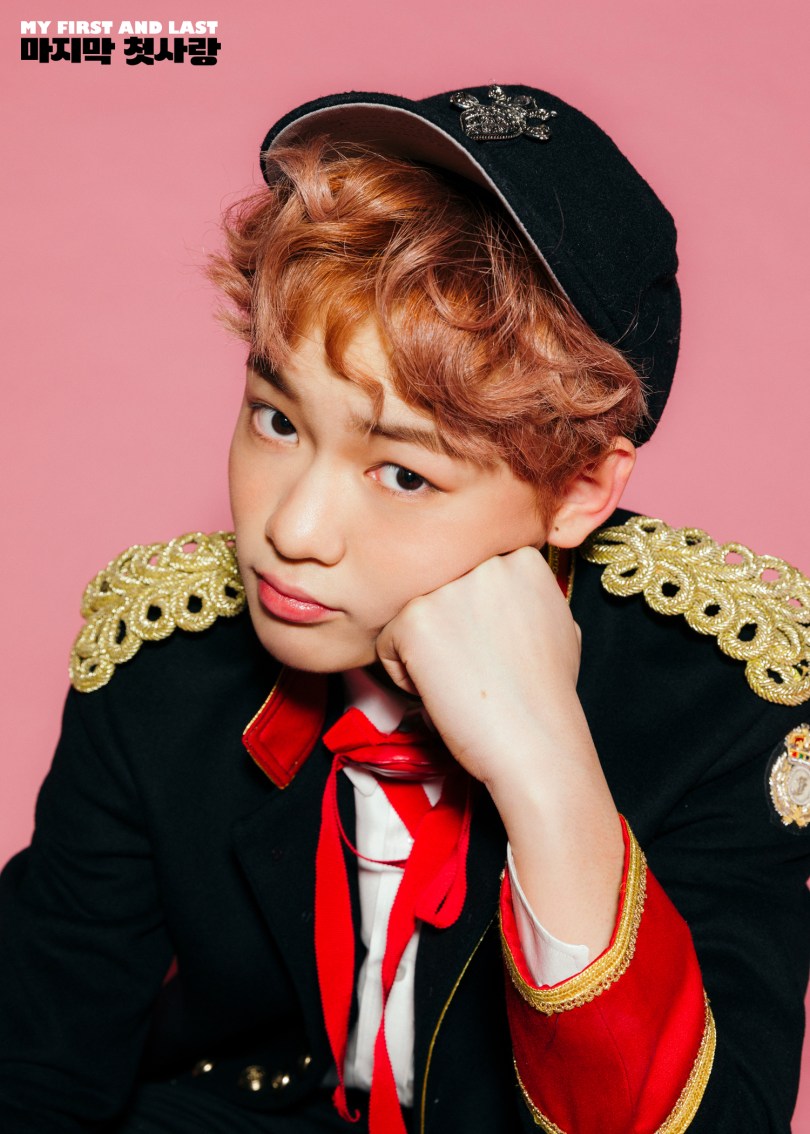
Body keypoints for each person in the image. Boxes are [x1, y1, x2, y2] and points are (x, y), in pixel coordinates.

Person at [1, 83, 809, 1134]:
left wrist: (550, 777)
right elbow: (38, 1067)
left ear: (579, 492)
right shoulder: (165, 665)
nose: (293, 528)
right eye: (277, 420)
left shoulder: (721, 699)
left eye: (403, 474)